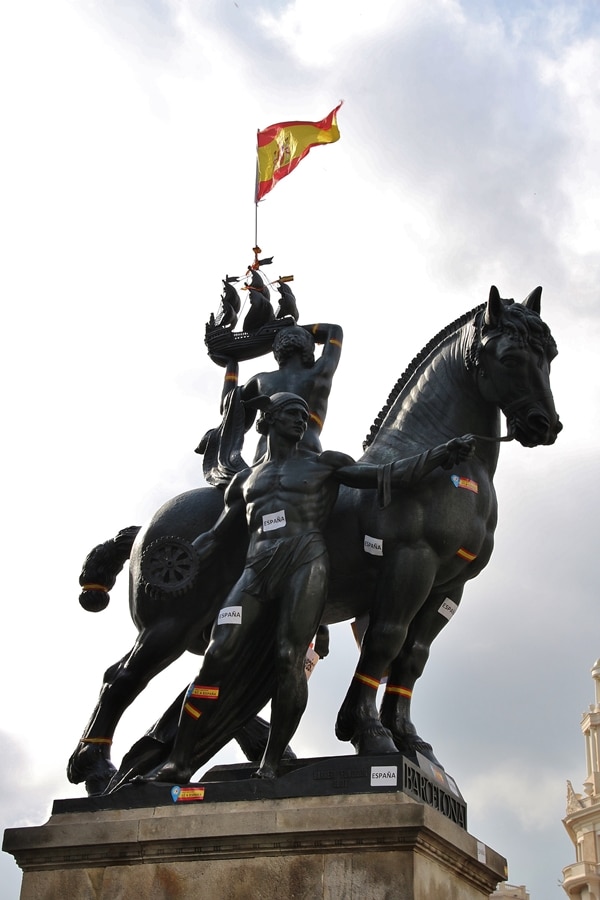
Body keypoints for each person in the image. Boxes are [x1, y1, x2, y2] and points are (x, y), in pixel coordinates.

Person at [144, 392, 475, 783]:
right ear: (268, 422)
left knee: (289, 658)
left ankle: (270, 764)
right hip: (257, 570)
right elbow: (217, 537)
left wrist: (438, 456)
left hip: (306, 564)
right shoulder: (244, 481)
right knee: (216, 656)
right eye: (291, 414)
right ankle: (178, 761)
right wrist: (181, 566)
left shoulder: (324, 465)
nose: (301, 421)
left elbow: (385, 476)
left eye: (304, 415)